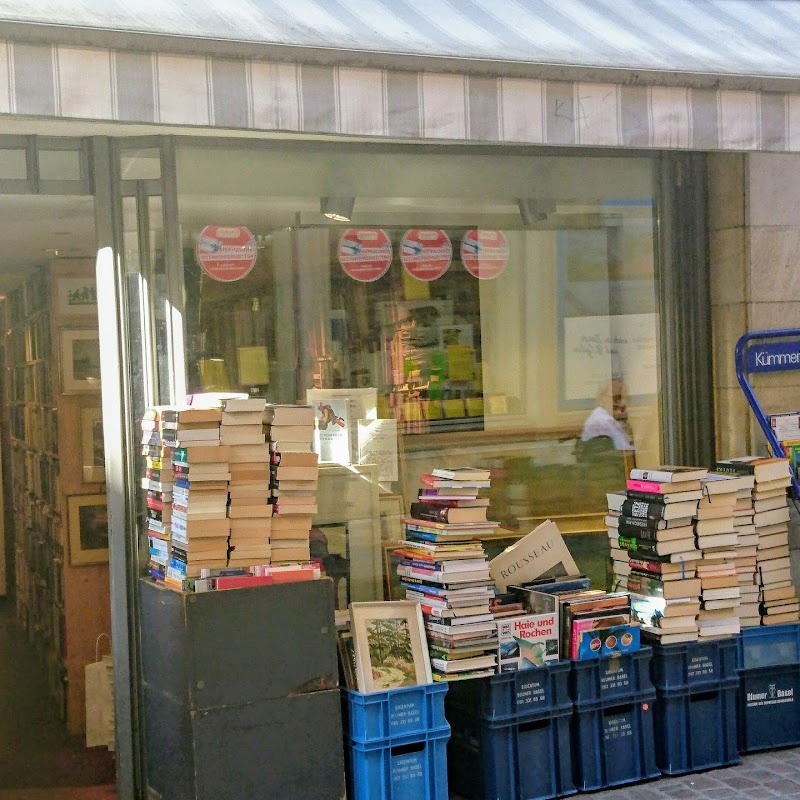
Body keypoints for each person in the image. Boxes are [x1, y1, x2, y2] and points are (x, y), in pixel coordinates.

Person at [580, 378, 634, 451]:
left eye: (625, 398)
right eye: (616, 398)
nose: (622, 403)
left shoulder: (607, 418)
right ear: (602, 398)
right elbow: (623, 451)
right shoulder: (602, 421)